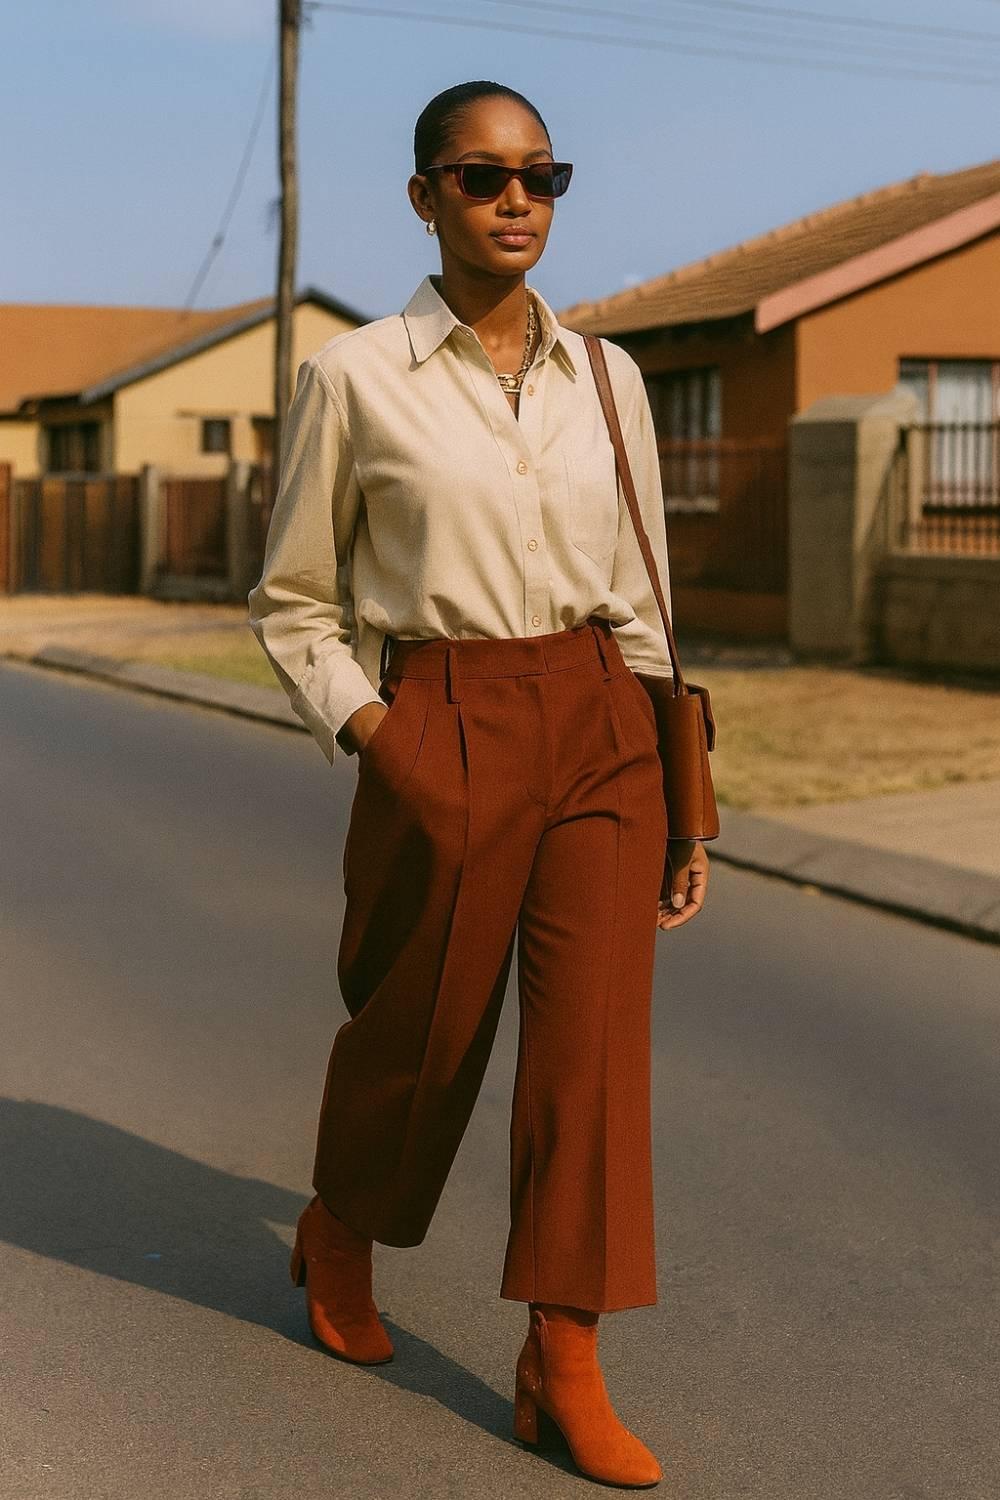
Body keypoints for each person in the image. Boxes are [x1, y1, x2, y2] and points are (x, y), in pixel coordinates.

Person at [248, 79, 710, 1489]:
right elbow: (291, 603)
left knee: (589, 1060)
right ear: (423, 197)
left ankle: (561, 1358)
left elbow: (644, 595)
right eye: (481, 177)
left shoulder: (612, 377)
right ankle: (343, 1222)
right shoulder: (356, 375)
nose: (517, 200)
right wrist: (383, 736)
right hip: (442, 710)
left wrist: (685, 793)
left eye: (543, 176)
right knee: (424, 1031)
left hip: (596, 722)